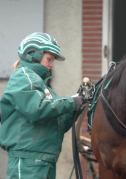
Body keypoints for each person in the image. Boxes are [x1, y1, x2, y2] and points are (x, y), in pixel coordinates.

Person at [0, 32, 87, 179]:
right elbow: (37, 109)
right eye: (49, 59)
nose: (51, 64)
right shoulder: (22, 77)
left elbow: (57, 124)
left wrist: (78, 107)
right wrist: (72, 102)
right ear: (32, 54)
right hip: (28, 161)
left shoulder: (44, 88)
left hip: (45, 161)